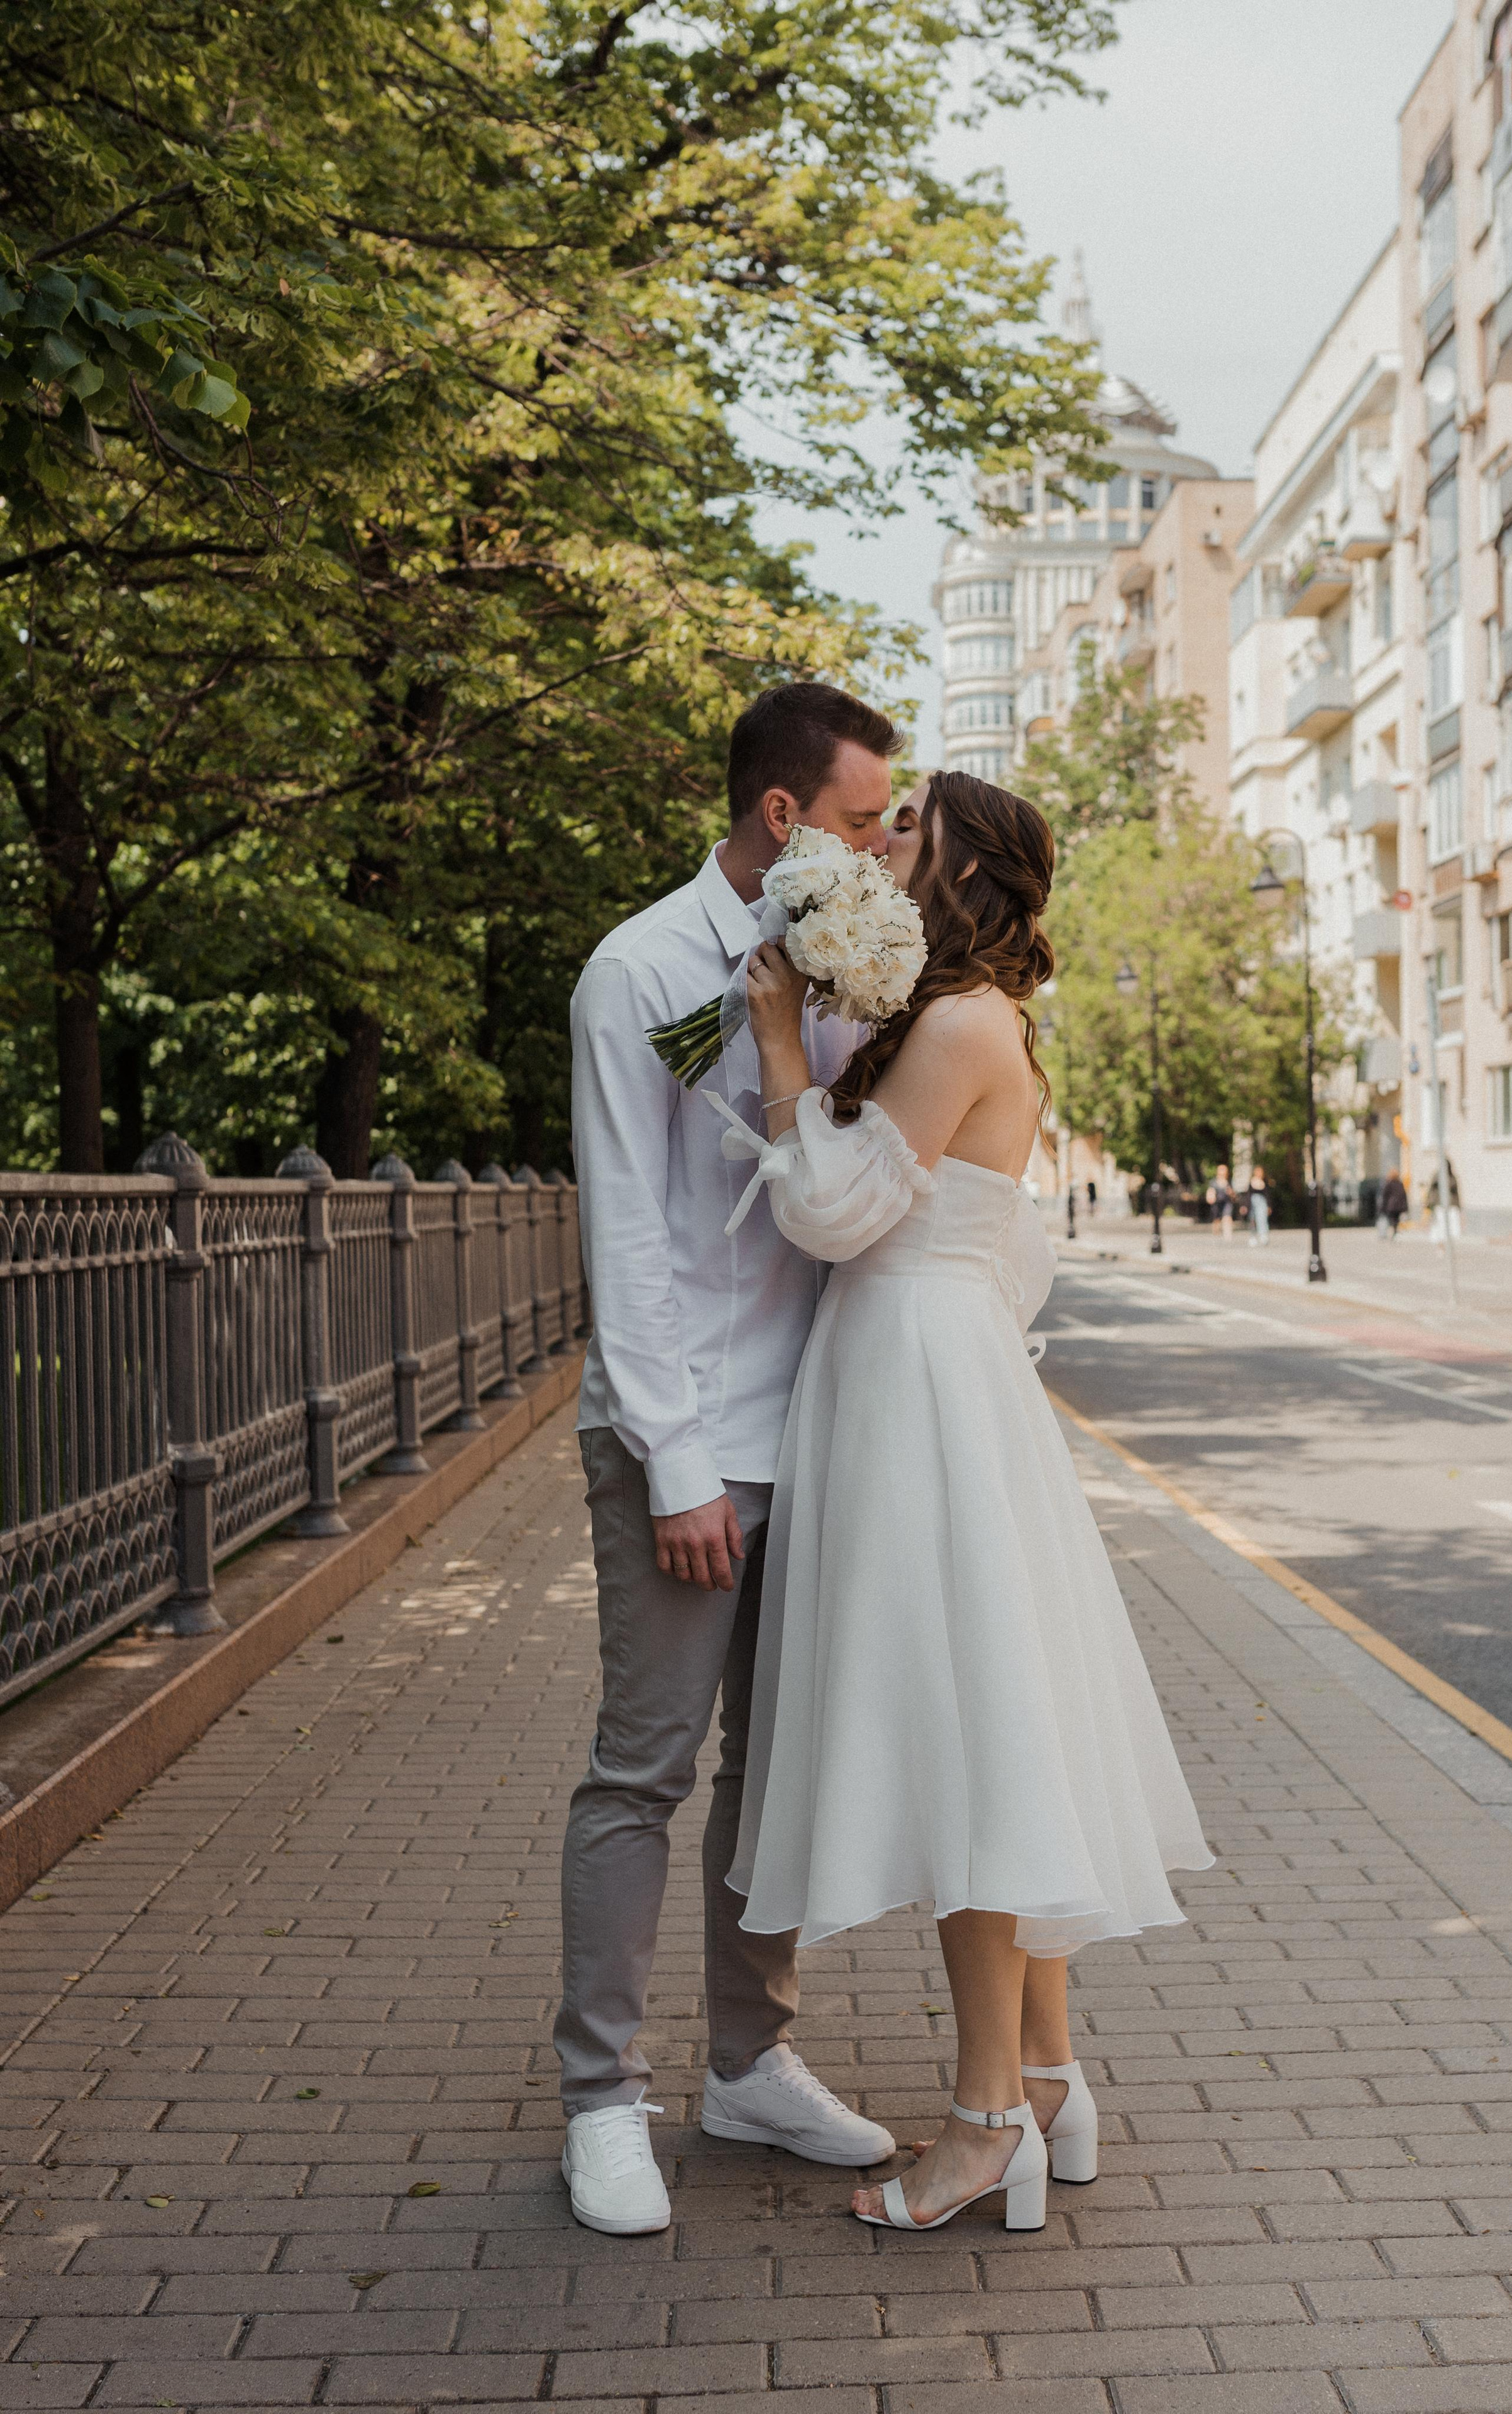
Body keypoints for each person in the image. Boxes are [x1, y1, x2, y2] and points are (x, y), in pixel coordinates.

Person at [726, 769, 1211, 2234]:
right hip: (944, 1373)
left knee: (966, 1755)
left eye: (904, 838)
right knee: (1001, 1741)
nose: (878, 853)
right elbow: (1009, 1258)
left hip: (915, 1389)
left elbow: (825, 1213)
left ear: (961, 873)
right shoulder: (958, 1021)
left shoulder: (950, 1024)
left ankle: (983, 2116)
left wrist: (769, 1049)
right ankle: (1049, 2076)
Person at [558, 681, 904, 2236]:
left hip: (817, 1418)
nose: (881, 846)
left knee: (770, 1778)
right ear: (784, 820)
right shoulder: (638, 968)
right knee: (646, 1766)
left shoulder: (845, 967)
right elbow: (628, 1236)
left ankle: (749, 2059)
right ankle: (598, 2094)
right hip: (686, 1432)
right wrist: (677, 1463)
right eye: (858, 820)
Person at [1208, 1162, 1236, 1242]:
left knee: (1228, 1217)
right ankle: (1216, 1234)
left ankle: (1228, 1234)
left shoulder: (1229, 1182)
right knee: (1217, 1220)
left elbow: (1234, 1195)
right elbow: (1210, 1191)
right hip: (1217, 1203)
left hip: (1227, 1202)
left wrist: (1231, 1193)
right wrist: (1210, 1197)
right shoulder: (1214, 1182)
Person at [1247, 1163, 1271, 1248]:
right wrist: (1246, 1206)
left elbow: (1268, 1195)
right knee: (1253, 1220)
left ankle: (1263, 1235)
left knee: (1262, 1219)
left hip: (1262, 1203)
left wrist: (1269, 1206)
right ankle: (1253, 1237)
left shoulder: (1265, 1182)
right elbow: (1248, 1195)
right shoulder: (1252, 1182)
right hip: (1253, 1203)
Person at [1381, 1167, 1408, 1240]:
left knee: (1393, 1220)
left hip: (1391, 1206)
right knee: (1396, 1220)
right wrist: (1405, 1207)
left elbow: (1385, 1196)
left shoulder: (1389, 1184)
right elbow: (1404, 1195)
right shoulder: (1400, 1184)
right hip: (1399, 1206)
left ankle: (1394, 1232)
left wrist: (1383, 1207)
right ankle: (1395, 1232)